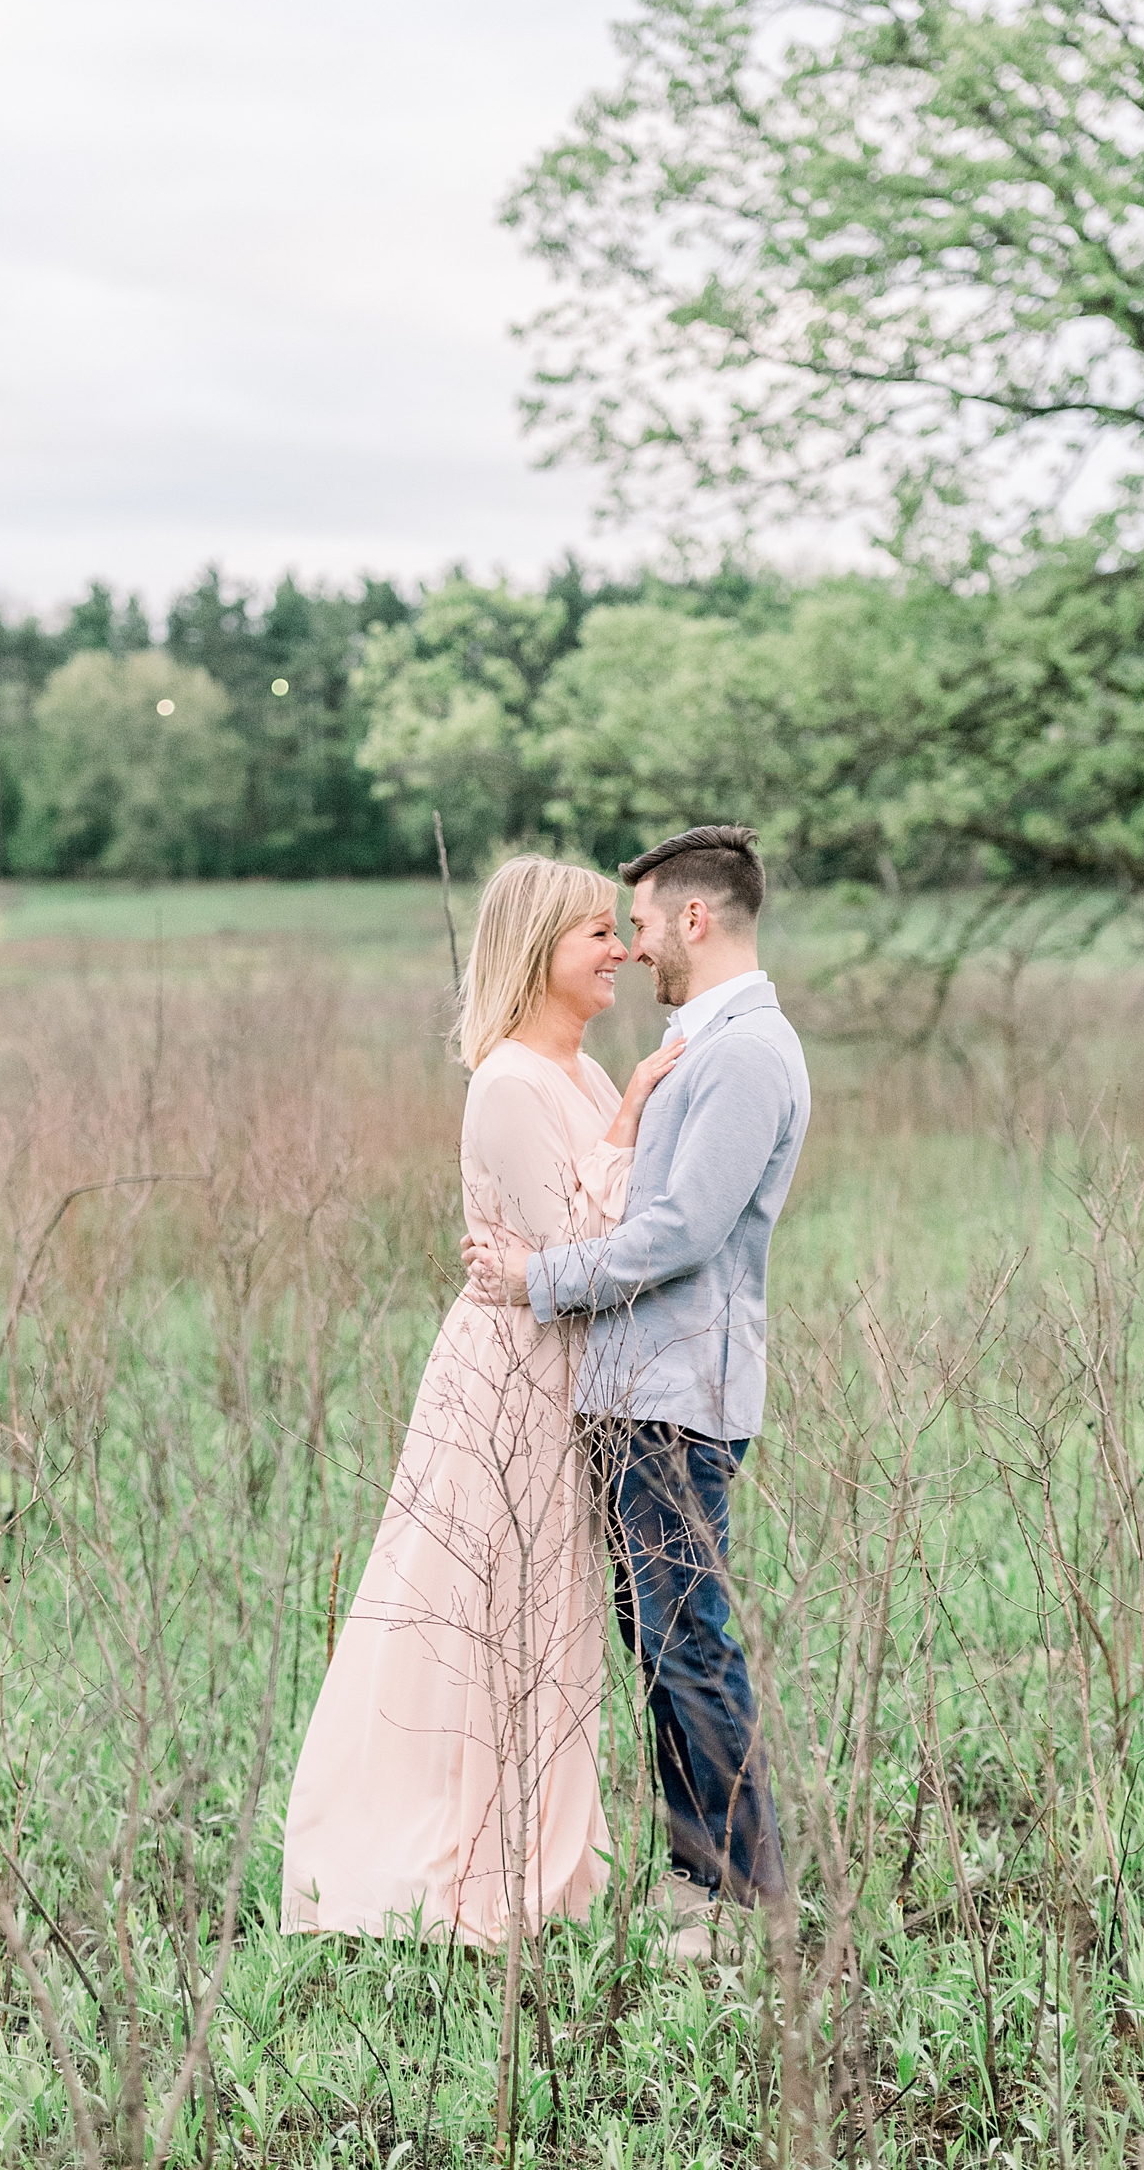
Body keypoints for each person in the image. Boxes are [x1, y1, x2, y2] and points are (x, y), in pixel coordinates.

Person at [281, 856, 684, 1949]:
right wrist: (641, 1105)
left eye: (618, 931)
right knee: (484, 1612)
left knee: (554, 1619)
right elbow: (579, 1245)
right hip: (510, 1377)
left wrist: (626, 1108)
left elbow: (631, 1231)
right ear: (535, 954)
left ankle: (550, 1867)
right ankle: (454, 1864)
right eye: (595, 936)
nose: (622, 951)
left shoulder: (588, 1077)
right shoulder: (510, 1081)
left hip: (571, 1369)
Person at [465, 825, 809, 1959]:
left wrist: (537, 1278)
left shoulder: (744, 1053)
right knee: (659, 1635)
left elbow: (681, 1231)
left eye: (644, 920)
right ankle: (695, 1873)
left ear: (696, 920)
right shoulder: (691, 1045)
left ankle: (729, 1890)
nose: (634, 944)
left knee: (686, 1637)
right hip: (634, 1388)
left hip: (677, 1390)